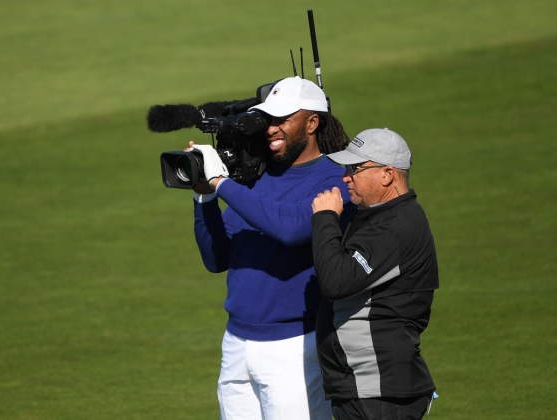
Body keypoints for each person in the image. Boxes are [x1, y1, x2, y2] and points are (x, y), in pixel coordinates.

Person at [188, 76, 354, 419]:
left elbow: (291, 228)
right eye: (269, 119)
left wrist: (221, 183)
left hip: (294, 347)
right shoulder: (260, 179)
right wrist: (204, 195)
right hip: (236, 343)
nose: (271, 129)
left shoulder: (335, 178)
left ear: (312, 123)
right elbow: (216, 257)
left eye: (283, 120)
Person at [310, 128, 439, 420]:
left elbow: (336, 281)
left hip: (380, 391)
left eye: (355, 169)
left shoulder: (396, 227)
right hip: (368, 387)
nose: (346, 177)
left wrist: (326, 218)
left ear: (387, 175)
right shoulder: (381, 217)